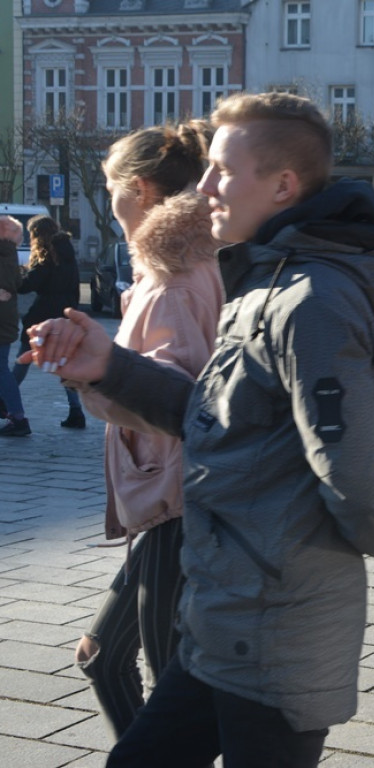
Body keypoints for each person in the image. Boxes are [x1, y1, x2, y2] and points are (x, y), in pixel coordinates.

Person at [21, 91, 374, 768]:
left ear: (283, 184)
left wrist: (303, 543)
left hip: (274, 628)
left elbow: (354, 481)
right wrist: (109, 364)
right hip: (223, 619)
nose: (204, 187)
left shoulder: (312, 299)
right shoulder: (262, 277)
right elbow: (216, 418)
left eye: (224, 170)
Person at [70, 121, 225, 739]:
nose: (110, 207)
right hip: (170, 501)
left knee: (169, 687)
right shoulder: (182, 262)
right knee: (102, 656)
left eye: (110, 192)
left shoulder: (172, 279)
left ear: (137, 189)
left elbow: (181, 404)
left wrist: (95, 372)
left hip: (175, 504)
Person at [11, 214, 84, 431]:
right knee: (63, 365)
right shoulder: (68, 255)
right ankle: (76, 411)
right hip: (63, 316)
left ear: (38, 235)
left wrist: (16, 274)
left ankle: (6, 400)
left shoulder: (46, 257)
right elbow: (75, 288)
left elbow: (28, 285)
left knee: (22, 359)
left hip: (42, 317)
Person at [0, 216, 26, 435]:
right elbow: (16, 283)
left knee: (1, 370)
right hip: (7, 318)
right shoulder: (10, 253)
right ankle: (14, 414)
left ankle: (17, 416)